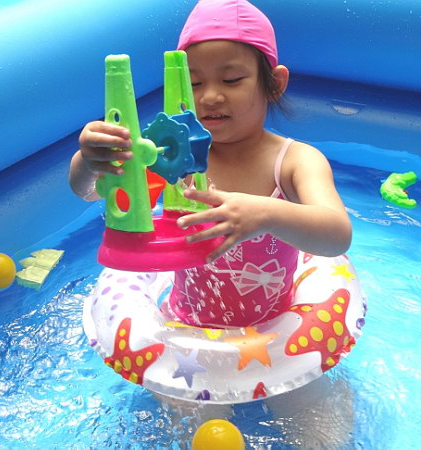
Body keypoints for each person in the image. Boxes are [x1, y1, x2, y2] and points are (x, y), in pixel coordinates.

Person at [70, 0, 354, 446]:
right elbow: (90, 191)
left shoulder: (294, 161)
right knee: (196, 435)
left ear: (274, 83)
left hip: (277, 331)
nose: (210, 96)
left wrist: (265, 212)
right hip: (187, 335)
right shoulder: (172, 155)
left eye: (232, 79)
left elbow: (336, 233)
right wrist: (91, 161)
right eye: (195, 82)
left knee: (323, 435)